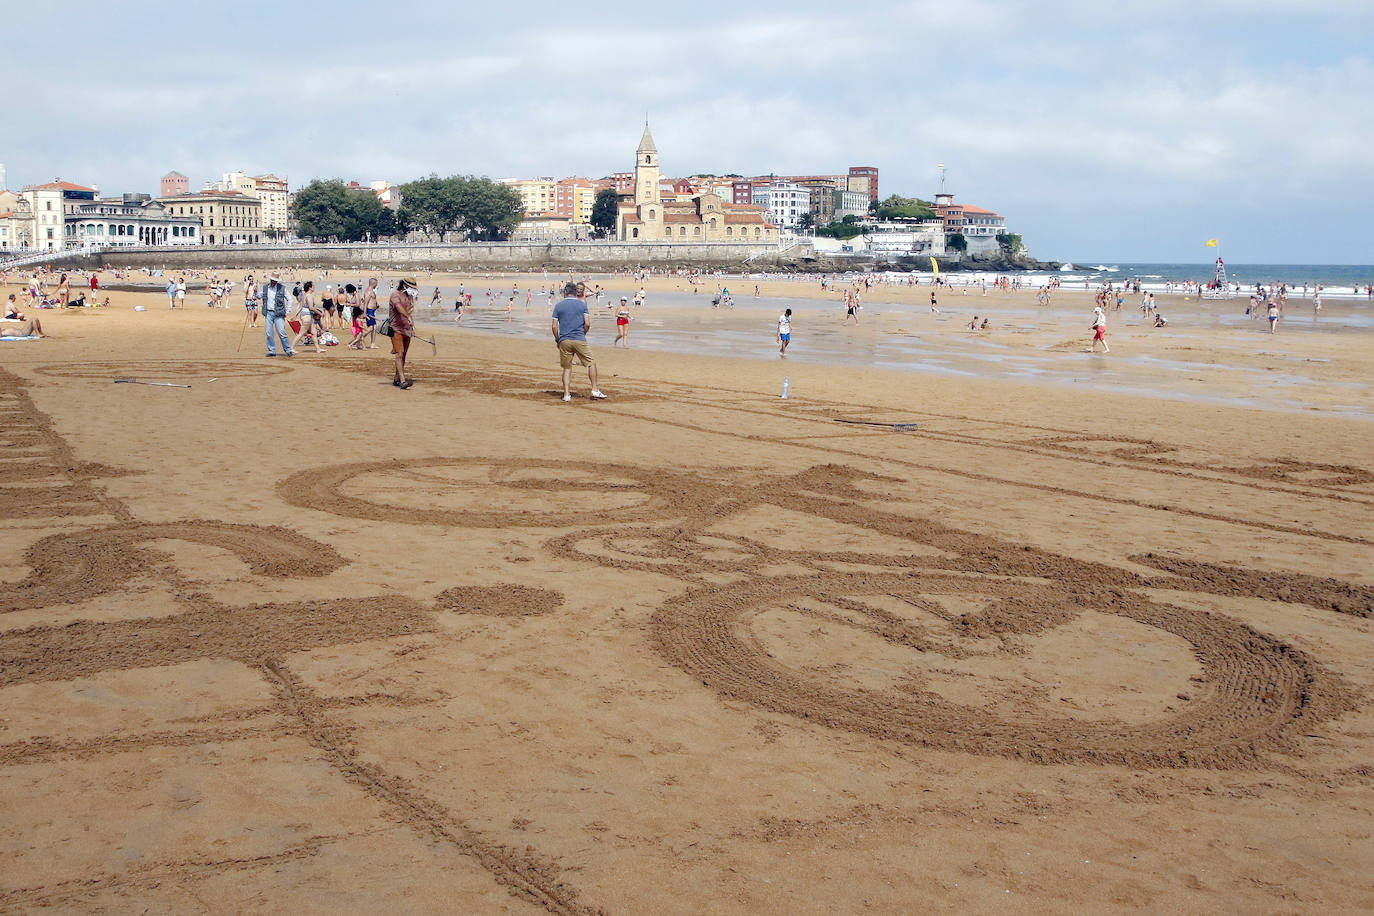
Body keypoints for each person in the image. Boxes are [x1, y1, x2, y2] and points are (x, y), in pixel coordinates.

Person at [551, 281, 605, 401]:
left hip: (564, 340)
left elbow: (554, 326)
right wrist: (583, 333)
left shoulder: (558, 306)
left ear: (565, 292)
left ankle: (566, 394)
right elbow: (587, 323)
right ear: (575, 292)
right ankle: (595, 389)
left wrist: (557, 339)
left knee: (567, 367)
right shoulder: (582, 305)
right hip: (579, 338)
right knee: (591, 363)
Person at [389, 276, 418, 389]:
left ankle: (396, 378)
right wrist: (407, 316)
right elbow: (399, 307)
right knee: (399, 354)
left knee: (404, 355)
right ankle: (402, 381)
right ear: (405, 285)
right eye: (411, 287)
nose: (413, 290)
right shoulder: (395, 294)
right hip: (396, 329)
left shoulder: (409, 296)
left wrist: (412, 326)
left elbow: (409, 311)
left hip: (406, 329)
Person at [261, 272, 294, 357]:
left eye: (275, 281)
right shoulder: (265, 287)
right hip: (268, 312)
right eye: (272, 280)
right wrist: (254, 293)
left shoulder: (282, 288)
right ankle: (272, 351)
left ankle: (288, 350)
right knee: (269, 333)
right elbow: (259, 295)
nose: (273, 282)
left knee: (282, 332)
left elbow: (290, 299)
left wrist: (288, 310)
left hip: (279, 313)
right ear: (270, 279)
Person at [291, 281, 323, 354]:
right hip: (307, 315)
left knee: (314, 332)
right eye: (313, 286)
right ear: (310, 287)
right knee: (301, 333)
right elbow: (311, 308)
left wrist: (296, 315)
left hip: (305, 315)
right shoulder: (309, 296)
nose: (314, 287)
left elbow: (301, 306)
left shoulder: (304, 295)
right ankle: (291, 348)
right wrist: (320, 313)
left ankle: (318, 349)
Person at [359, 277, 380, 348]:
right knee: (371, 328)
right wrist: (365, 313)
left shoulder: (372, 291)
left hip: (372, 311)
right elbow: (366, 303)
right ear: (373, 283)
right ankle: (359, 340)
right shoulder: (368, 291)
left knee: (374, 327)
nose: (377, 285)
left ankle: (373, 344)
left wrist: (376, 304)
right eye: (376, 284)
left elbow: (373, 300)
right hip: (369, 311)